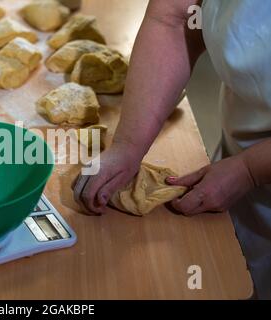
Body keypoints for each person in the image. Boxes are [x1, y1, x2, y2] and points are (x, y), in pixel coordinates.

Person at [73, 0, 271, 299]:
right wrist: (129, 144)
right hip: (242, 141)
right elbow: (174, 18)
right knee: (230, 273)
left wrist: (250, 170)